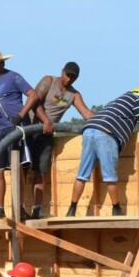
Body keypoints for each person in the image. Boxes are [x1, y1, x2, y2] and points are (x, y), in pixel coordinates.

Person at [64, 88, 139, 217]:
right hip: (106, 134)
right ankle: (116, 210)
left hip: (89, 130)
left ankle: (71, 209)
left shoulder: (115, 102)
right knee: (110, 176)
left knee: (82, 175)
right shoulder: (136, 100)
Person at [0, 49, 39, 220]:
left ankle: (19, 208)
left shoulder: (14, 77)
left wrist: (22, 115)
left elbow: (33, 95)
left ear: (2, 63)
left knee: (17, 169)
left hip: (14, 127)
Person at [26, 61, 95, 219]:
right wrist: (46, 121)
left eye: (73, 77)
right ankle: (20, 210)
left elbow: (86, 113)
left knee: (41, 171)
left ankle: (37, 210)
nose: (69, 79)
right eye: (67, 75)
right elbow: (34, 102)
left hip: (46, 135)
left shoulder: (73, 95)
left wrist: (104, 120)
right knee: (23, 171)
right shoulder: (48, 82)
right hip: (30, 130)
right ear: (62, 71)